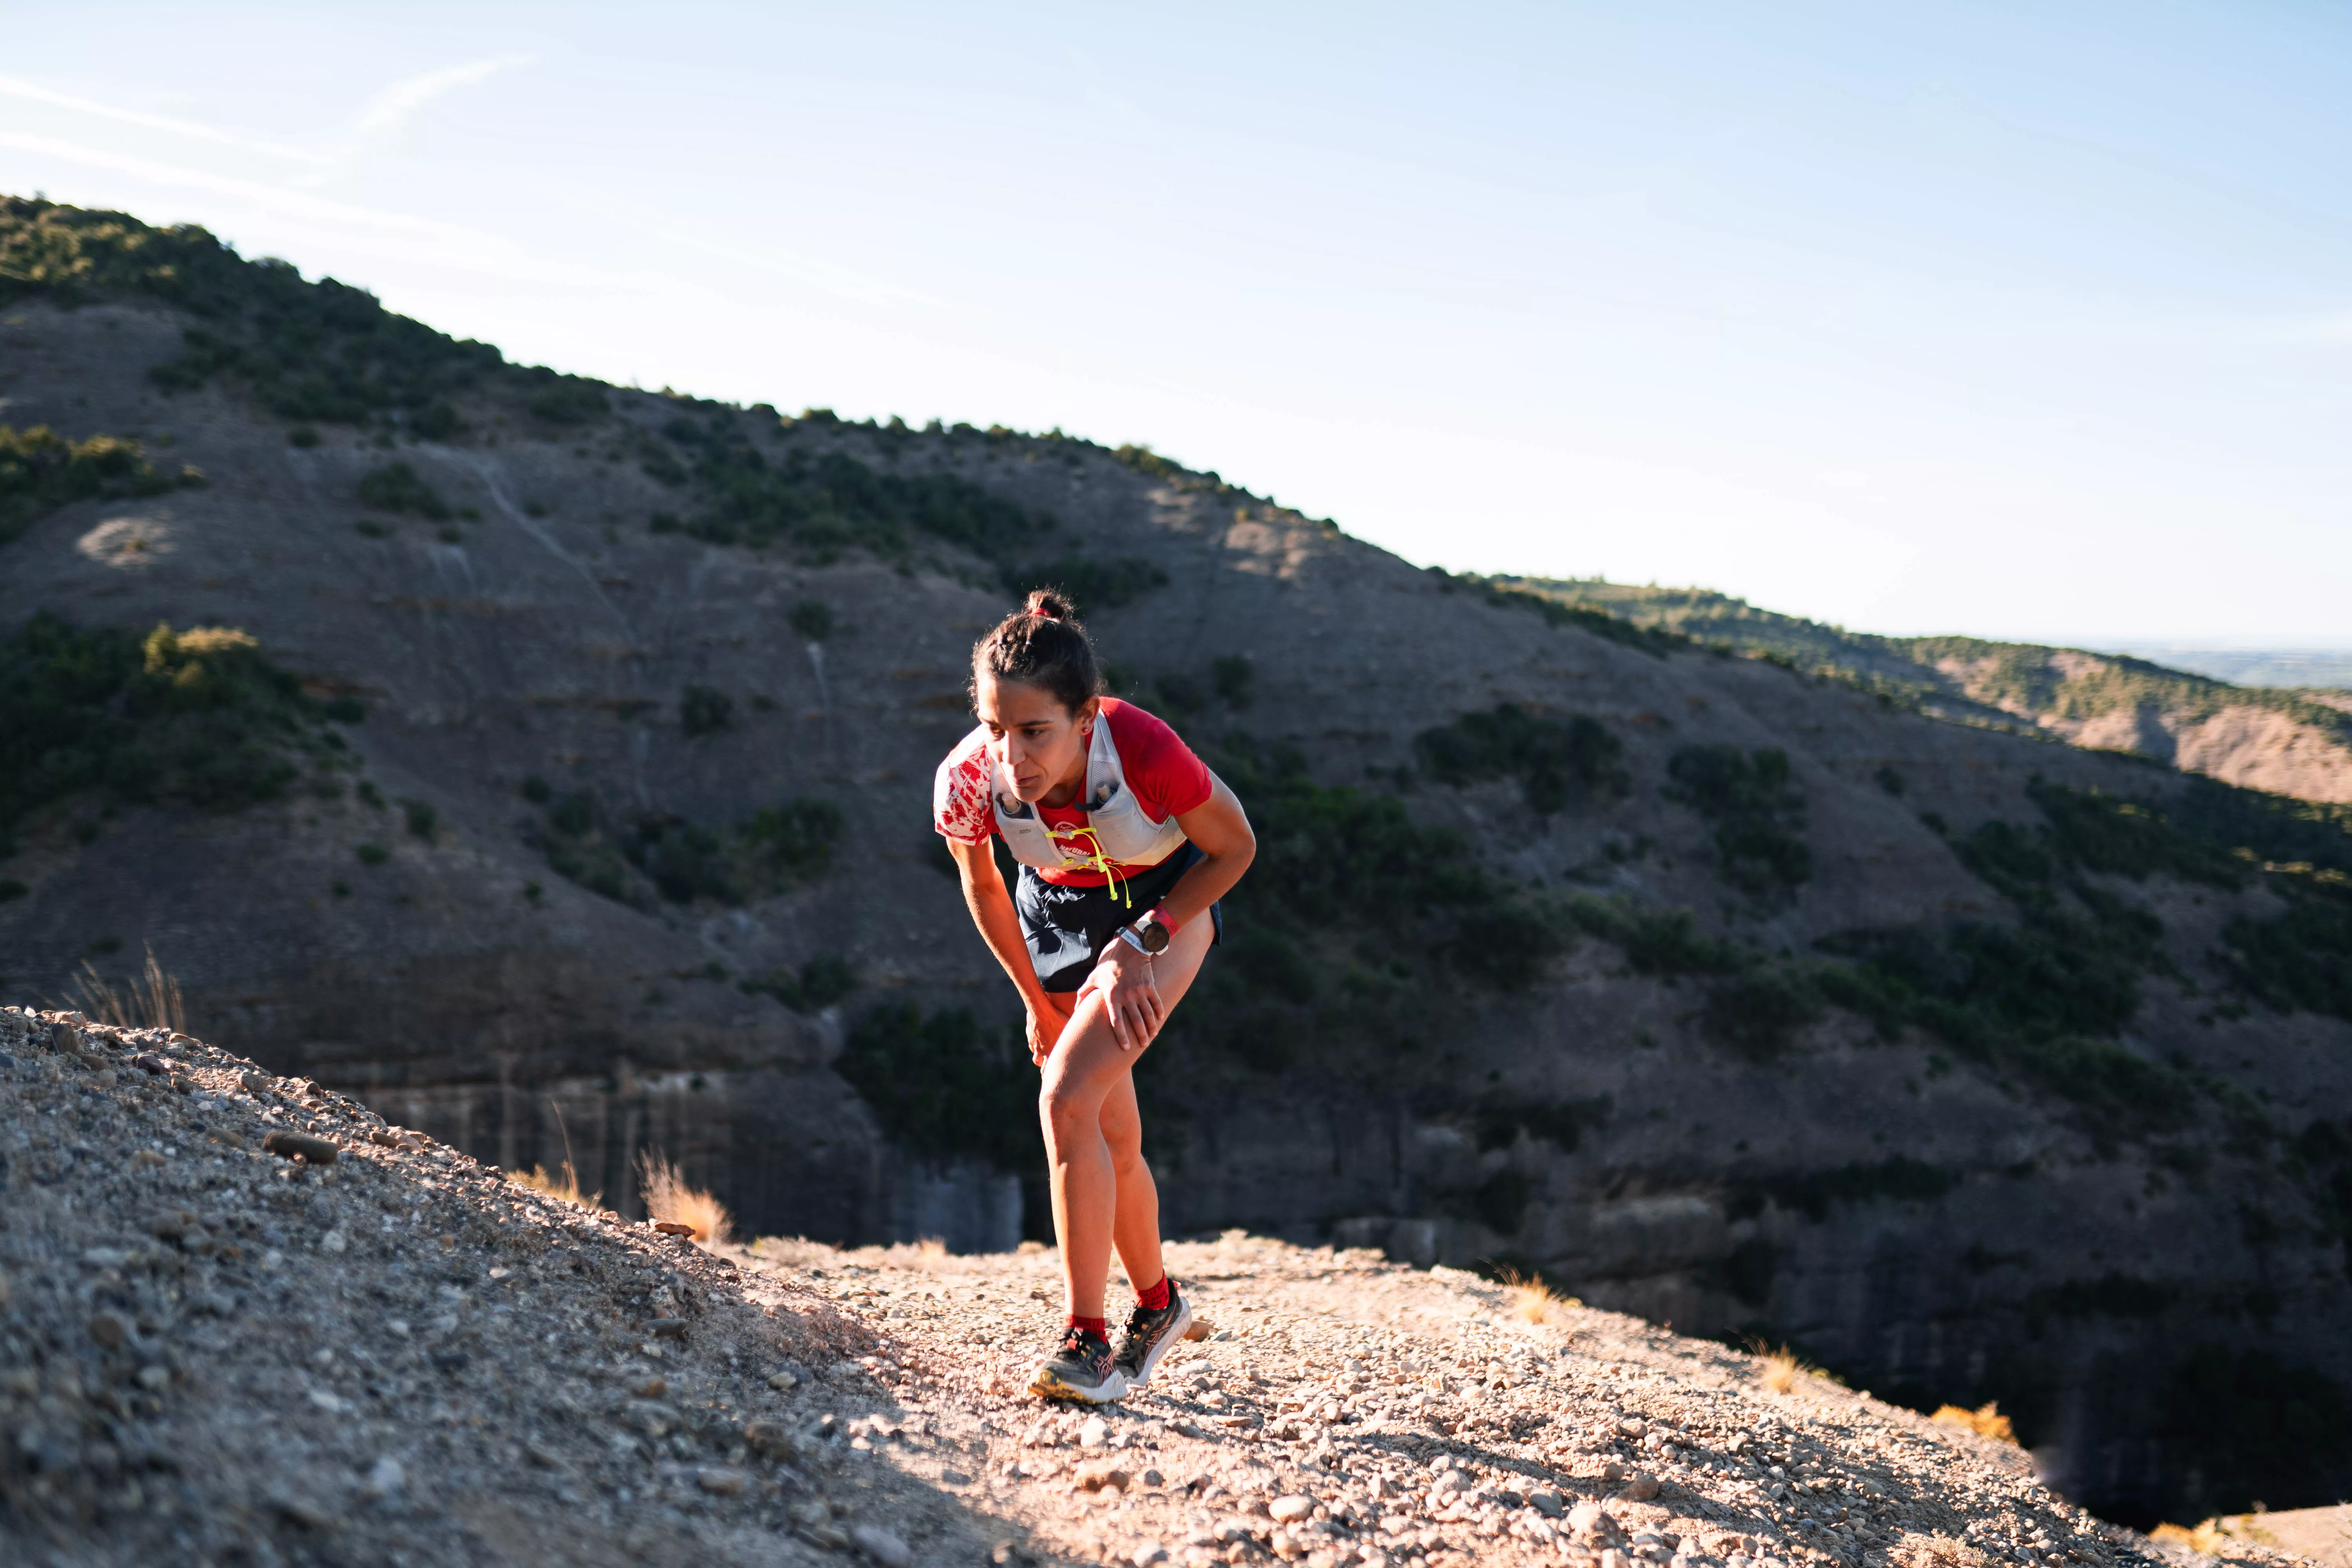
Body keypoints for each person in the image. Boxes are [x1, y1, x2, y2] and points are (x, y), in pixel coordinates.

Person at [933, 590, 1256, 1403]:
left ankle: (1088, 1342)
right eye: (995, 727)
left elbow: (1236, 847)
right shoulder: (968, 778)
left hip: (1165, 903)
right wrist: (1035, 1001)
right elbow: (985, 887)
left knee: (1066, 1098)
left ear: (1085, 719)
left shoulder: (1143, 746)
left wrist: (1143, 940)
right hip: (1058, 913)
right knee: (1109, 1129)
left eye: (1034, 731)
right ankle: (1160, 1304)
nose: (1011, 756)